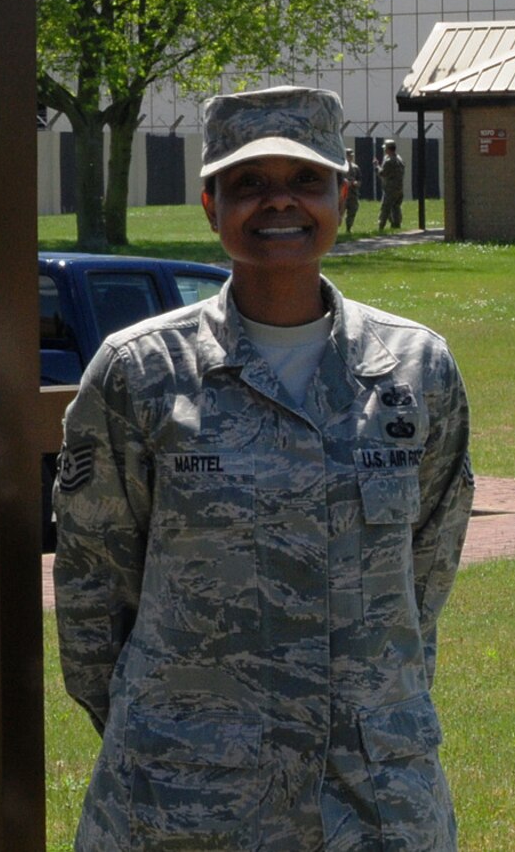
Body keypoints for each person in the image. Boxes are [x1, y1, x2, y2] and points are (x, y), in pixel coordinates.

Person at [52, 85, 474, 852]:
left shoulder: (415, 371)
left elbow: (425, 575)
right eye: (248, 184)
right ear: (211, 206)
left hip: (373, 800)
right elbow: (92, 591)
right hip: (183, 801)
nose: (279, 204)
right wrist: (176, 733)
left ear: (343, 196)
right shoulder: (140, 374)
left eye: (305, 181)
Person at [378, 139, 407, 231]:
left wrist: (376, 166)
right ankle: (397, 225)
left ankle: (381, 226)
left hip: (390, 189)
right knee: (396, 207)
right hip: (399, 188)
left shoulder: (389, 161)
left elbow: (382, 173)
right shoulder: (399, 159)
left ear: (388, 149)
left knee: (385, 208)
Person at [342, 147, 361, 234]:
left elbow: (359, 180)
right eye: (349, 156)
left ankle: (348, 228)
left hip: (353, 193)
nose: (350, 157)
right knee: (339, 212)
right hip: (342, 194)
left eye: (351, 156)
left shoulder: (356, 168)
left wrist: (356, 183)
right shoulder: (341, 167)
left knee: (352, 210)